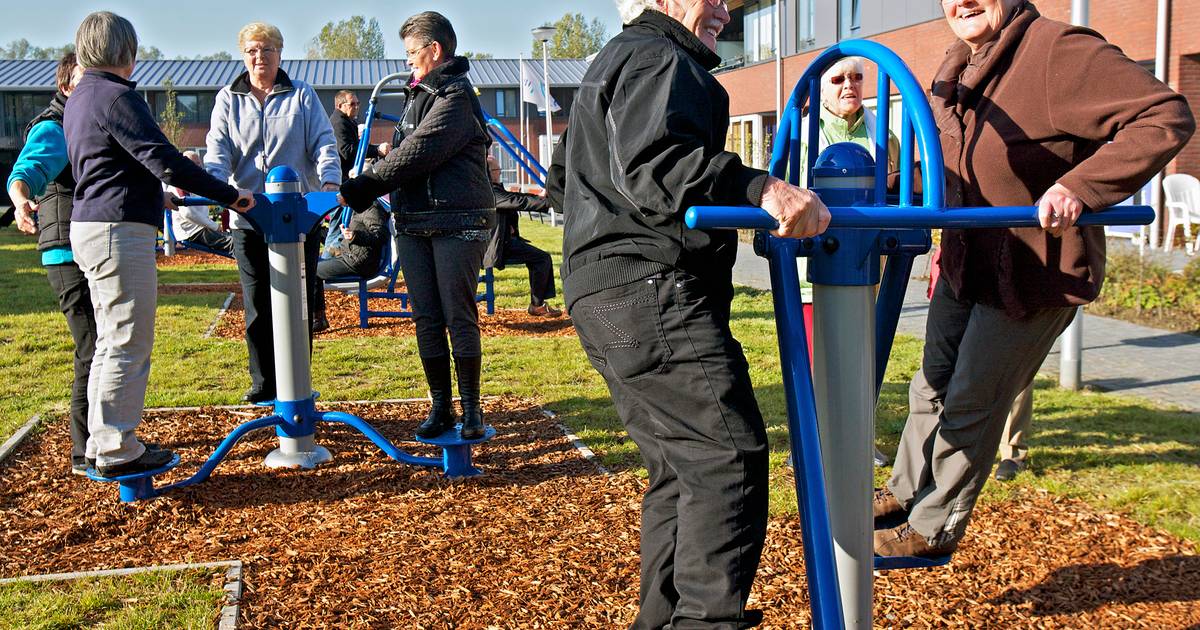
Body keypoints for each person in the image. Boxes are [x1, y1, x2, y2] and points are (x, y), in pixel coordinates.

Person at [873, 0, 1194, 559]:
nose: (963, 2)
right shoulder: (957, 65)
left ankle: (931, 526)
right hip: (966, 259)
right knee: (930, 384)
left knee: (975, 394)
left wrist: (1082, 186)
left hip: (1031, 268)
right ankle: (903, 493)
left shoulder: (1057, 51)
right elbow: (950, 161)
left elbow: (1164, 115)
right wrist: (877, 188)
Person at [548, 1, 829, 626]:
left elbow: (564, 172)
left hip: (601, 289)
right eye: (714, 0)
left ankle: (664, 618)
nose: (725, 13)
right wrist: (761, 188)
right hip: (651, 287)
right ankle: (704, 620)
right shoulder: (659, 57)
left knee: (679, 468)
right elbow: (657, 166)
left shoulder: (611, 61)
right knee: (725, 458)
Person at [63, 11, 254, 477]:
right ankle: (116, 448)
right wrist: (230, 196)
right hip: (117, 231)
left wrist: (158, 195)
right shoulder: (116, 97)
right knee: (128, 339)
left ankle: (98, 441)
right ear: (124, 51)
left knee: (110, 339)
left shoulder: (79, 97)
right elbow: (164, 159)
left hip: (90, 224)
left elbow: (110, 165)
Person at [340, 11, 495, 441]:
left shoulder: (457, 95)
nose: (407, 60)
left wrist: (362, 185)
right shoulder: (419, 92)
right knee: (426, 318)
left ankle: (472, 409)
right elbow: (409, 147)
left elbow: (422, 151)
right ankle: (440, 406)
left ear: (435, 50)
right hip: (412, 221)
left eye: (412, 53)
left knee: (457, 315)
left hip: (458, 220)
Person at [204, 21, 341, 404]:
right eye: (251, 50)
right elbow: (218, 152)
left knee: (299, 302)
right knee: (258, 303)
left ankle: (297, 383)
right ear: (243, 55)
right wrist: (219, 189)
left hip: (298, 216)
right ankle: (264, 385)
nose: (259, 57)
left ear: (280, 54)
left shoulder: (301, 95)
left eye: (266, 50)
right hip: (251, 216)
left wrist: (330, 183)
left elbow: (323, 143)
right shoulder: (229, 99)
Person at [7, 52, 92, 476]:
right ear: (65, 88)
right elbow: (26, 170)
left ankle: (104, 433)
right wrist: (22, 200)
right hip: (67, 251)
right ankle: (84, 449)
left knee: (102, 346)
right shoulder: (54, 126)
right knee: (92, 348)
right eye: (82, 79)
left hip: (92, 247)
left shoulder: (90, 124)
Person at [798, 57, 899, 185]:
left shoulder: (888, 139)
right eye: (838, 79)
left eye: (857, 77)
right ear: (822, 91)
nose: (849, 85)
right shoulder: (799, 139)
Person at [482, 155, 561, 317]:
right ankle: (537, 305)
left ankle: (538, 304)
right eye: (498, 170)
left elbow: (517, 199)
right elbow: (518, 201)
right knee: (542, 258)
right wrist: (549, 202)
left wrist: (539, 197)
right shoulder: (489, 192)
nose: (500, 173)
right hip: (494, 247)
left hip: (503, 242)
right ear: (490, 173)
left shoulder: (491, 190)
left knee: (539, 259)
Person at [311, 201, 390, 327]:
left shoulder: (371, 207)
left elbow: (380, 235)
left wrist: (355, 236)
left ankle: (317, 319)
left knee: (312, 272)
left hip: (358, 261)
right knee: (310, 266)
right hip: (352, 256)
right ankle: (317, 317)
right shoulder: (362, 206)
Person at [168, 150, 233, 257]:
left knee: (239, 241)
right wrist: (215, 226)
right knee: (234, 244)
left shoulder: (193, 182)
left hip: (199, 228)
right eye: (195, 164)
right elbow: (188, 213)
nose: (199, 167)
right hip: (193, 231)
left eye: (199, 163)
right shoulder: (180, 183)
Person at [330, 89, 389, 181]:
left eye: (358, 103)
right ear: (340, 106)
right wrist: (376, 150)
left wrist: (376, 149)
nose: (356, 107)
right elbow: (347, 151)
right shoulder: (339, 123)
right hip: (342, 176)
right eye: (352, 104)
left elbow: (355, 146)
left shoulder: (348, 120)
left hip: (346, 173)